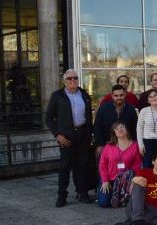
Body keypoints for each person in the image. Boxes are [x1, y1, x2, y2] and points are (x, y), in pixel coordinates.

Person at [46, 69, 94, 207]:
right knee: (65, 166)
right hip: (65, 136)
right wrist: (57, 135)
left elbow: (88, 116)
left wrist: (90, 133)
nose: (73, 80)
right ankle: (62, 196)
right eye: (70, 78)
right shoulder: (57, 96)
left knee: (83, 165)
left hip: (82, 134)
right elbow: (49, 118)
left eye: (75, 78)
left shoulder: (84, 94)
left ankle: (82, 192)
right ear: (64, 81)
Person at [98, 120, 142, 208]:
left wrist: (133, 179)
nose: (119, 130)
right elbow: (102, 165)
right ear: (114, 132)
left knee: (133, 202)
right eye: (116, 128)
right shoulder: (108, 147)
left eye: (122, 127)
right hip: (110, 179)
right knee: (104, 203)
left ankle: (122, 197)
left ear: (126, 129)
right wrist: (105, 180)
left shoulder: (135, 146)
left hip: (127, 181)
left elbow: (137, 165)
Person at [94, 84, 138, 156]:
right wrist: (100, 144)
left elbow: (134, 128)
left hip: (126, 146)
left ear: (125, 95)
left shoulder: (131, 109)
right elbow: (97, 127)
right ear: (112, 96)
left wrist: (133, 145)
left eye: (121, 95)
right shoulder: (104, 108)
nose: (119, 97)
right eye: (116, 96)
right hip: (106, 145)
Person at [136, 89, 157, 168]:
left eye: (155, 96)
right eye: (150, 97)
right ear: (148, 100)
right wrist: (140, 145)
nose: (153, 98)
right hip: (147, 143)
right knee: (147, 166)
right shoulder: (144, 111)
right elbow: (139, 128)